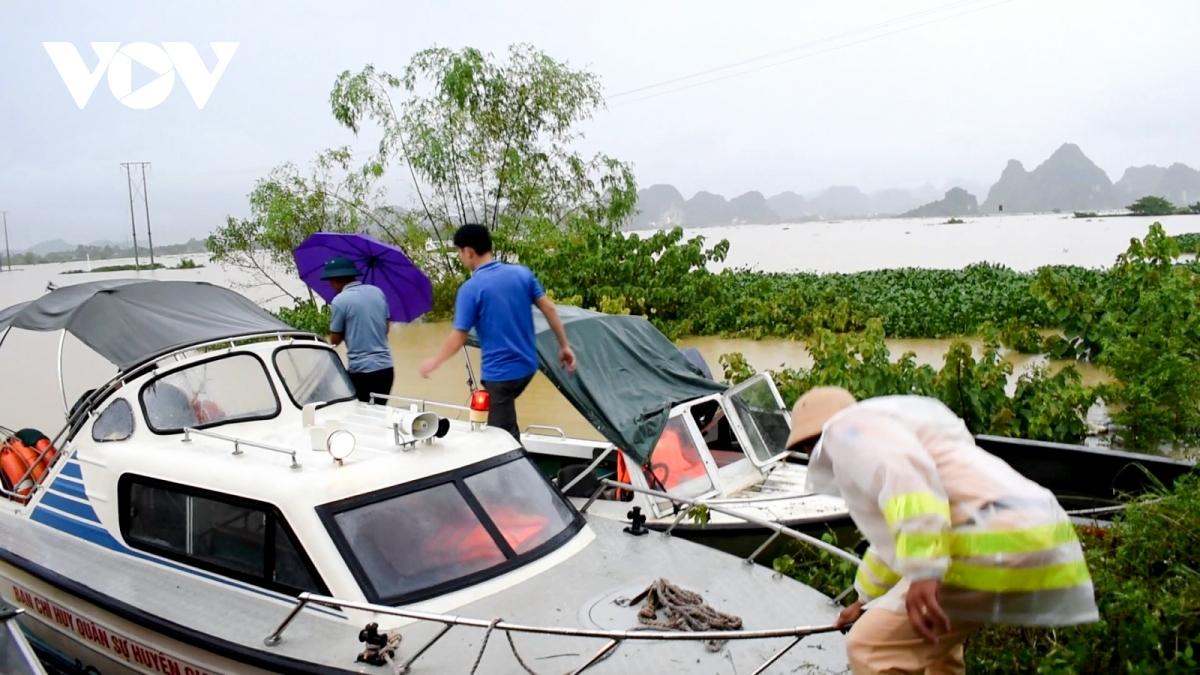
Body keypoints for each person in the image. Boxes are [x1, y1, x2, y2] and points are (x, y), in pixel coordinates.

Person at [786, 387, 1098, 675]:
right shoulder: (889, 426)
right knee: (933, 639)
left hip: (985, 537)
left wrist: (924, 572)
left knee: (871, 648)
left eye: (806, 445)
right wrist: (864, 599)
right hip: (1034, 527)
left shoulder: (848, 431)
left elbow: (910, 485)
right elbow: (894, 541)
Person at [419, 224, 576, 443]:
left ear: (469, 252)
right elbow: (548, 308)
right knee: (504, 419)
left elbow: (459, 337)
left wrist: (433, 362)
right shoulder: (522, 273)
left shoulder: (471, 289)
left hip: (501, 375)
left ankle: (519, 471)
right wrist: (564, 346)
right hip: (529, 367)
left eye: (459, 252)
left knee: (501, 438)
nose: (460, 258)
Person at [322, 255, 394, 403]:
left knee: (360, 415)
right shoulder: (377, 292)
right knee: (378, 413)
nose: (330, 285)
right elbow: (385, 328)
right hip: (386, 369)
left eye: (330, 281)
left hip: (361, 372)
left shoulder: (340, 301)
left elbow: (335, 340)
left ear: (337, 280)